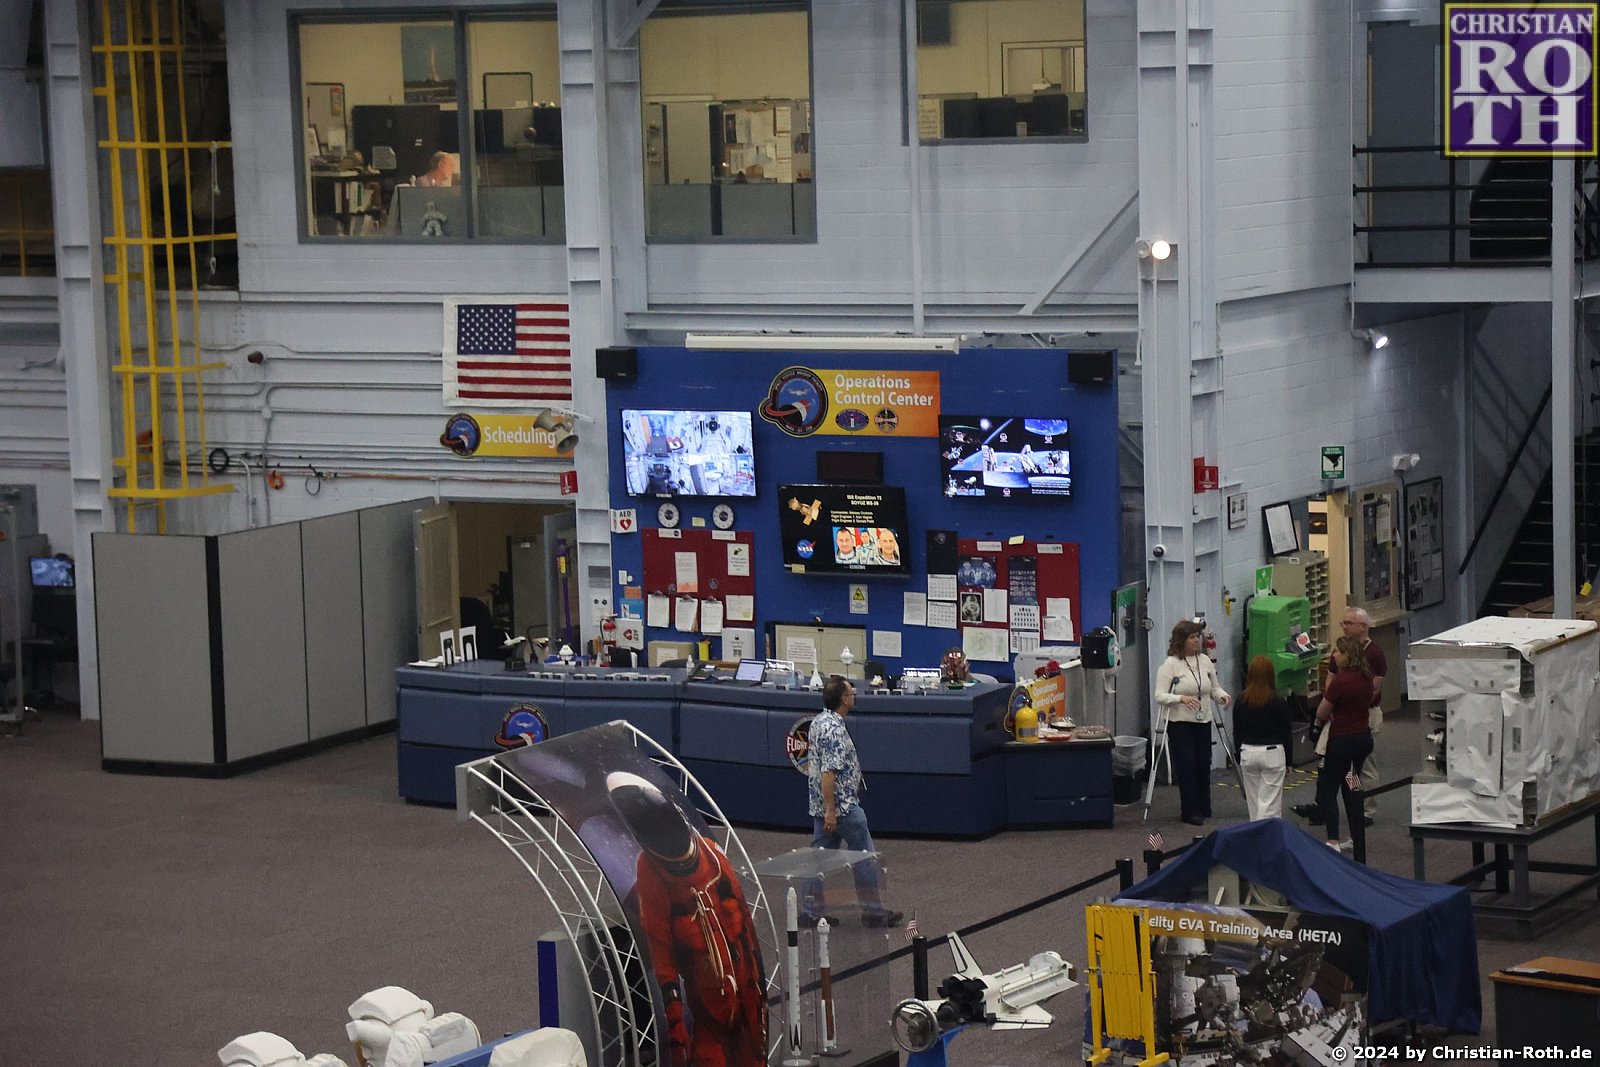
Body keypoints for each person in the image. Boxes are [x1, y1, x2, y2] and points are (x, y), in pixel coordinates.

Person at [608, 771, 767, 1067]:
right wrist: (676, 1026)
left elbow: (745, 927)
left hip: (747, 999)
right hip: (708, 1014)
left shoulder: (713, 857)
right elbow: (661, 951)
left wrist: (759, 997)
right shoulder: (650, 870)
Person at [805, 677, 903, 927]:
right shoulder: (835, 730)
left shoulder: (818, 721)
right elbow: (829, 773)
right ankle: (873, 912)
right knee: (864, 857)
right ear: (844, 699)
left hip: (823, 805)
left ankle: (811, 912)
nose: (854, 696)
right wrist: (831, 811)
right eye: (851, 693)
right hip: (842, 808)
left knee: (818, 858)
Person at [1154, 620, 1232, 826]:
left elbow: (1213, 688)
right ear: (1182, 640)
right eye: (1192, 637)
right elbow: (1159, 695)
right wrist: (1180, 698)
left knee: (1203, 762)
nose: (1197, 640)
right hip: (1180, 722)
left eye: (1198, 636)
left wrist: (1222, 696)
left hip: (1203, 719)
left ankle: (1204, 805)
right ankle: (1189, 810)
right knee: (1187, 764)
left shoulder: (1204, 661)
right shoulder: (1170, 665)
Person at [1313, 636, 1375, 861]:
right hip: (1362, 740)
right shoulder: (1366, 678)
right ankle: (1358, 837)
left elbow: (1322, 711)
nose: (1334, 655)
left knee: (1329, 788)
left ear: (1347, 654)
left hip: (1341, 742)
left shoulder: (1340, 681)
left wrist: (1320, 721)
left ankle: (1333, 841)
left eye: (1337, 652)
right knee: (1352, 784)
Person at [1233, 655, 1294, 821]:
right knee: (1270, 805)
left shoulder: (1241, 700)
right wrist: (1289, 761)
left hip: (1248, 753)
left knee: (1253, 804)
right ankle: (1268, 834)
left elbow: (1237, 731)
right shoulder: (1278, 702)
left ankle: (1255, 831)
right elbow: (1286, 733)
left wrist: (1239, 755)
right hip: (1272, 754)